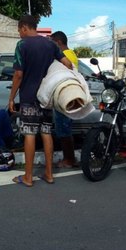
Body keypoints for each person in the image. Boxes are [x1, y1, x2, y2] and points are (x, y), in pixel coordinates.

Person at [9, 15, 72, 187]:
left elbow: (18, 74)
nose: (19, 34)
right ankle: (49, 174)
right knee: (46, 133)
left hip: (29, 97)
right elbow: (68, 64)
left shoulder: (22, 45)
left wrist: (12, 97)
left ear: (23, 27)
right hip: (47, 97)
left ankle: (28, 177)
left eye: (19, 30)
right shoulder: (51, 44)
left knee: (29, 134)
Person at [50, 31, 79, 168]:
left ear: (58, 42)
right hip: (70, 96)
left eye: (52, 43)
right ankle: (69, 158)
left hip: (64, 97)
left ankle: (69, 160)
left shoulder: (65, 56)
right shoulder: (71, 54)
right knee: (65, 129)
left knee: (64, 130)